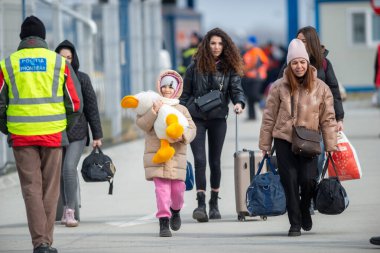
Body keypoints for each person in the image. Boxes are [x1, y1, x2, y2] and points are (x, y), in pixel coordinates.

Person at [0, 16, 83, 253]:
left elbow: (0, 102)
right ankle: (45, 242)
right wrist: (63, 126)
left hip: (21, 135)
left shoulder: (8, 64)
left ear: (22, 38)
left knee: (31, 188)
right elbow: (75, 103)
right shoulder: (58, 63)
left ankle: (40, 243)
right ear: (43, 37)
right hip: (53, 134)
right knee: (50, 189)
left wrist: (7, 126)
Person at [259, 39, 337, 236]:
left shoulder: (321, 87)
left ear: (307, 63)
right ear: (289, 64)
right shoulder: (278, 87)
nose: (299, 66)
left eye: (302, 62)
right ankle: (294, 223)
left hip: (310, 139)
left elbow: (328, 118)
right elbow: (268, 117)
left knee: (308, 179)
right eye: (294, 62)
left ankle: (304, 208)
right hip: (284, 139)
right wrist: (265, 144)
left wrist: (330, 144)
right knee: (290, 181)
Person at [179, 27, 246, 222]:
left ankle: (214, 203)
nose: (216, 47)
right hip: (196, 119)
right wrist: (181, 114)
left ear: (225, 46)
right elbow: (185, 95)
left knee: (215, 161)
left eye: (220, 43)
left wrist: (239, 103)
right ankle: (201, 204)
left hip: (218, 118)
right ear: (207, 45)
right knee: (200, 160)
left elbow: (236, 89)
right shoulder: (194, 67)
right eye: (213, 43)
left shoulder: (229, 67)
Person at [135, 70, 196, 237]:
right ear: (159, 87)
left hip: (176, 157)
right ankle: (163, 222)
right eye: (164, 86)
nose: (167, 89)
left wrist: (183, 135)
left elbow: (192, 128)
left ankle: (175, 210)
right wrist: (153, 111)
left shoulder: (182, 109)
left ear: (176, 89)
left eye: (171, 86)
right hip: (157, 156)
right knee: (161, 191)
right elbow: (142, 124)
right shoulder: (151, 106)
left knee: (177, 191)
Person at [55, 40, 103, 227]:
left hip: (77, 133)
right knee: (59, 172)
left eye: (69, 58)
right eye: (62, 58)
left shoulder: (82, 78)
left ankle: (69, 211)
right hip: (56, 132)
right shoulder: (50, 79)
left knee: (68, 168)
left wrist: (97, 135)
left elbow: (92, 108)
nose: (66, 61)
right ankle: (65, 206)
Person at [241, 35, 269, 120]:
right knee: (249, 97)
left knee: (254, 95)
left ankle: (266, 102)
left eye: (248, 42)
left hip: (257, 77)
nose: (245, 44)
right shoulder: (249, 51)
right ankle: (251, 116)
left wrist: (244, 69)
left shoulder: (256, 51)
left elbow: (255, 64)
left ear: (252, 43)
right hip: (250, 77)